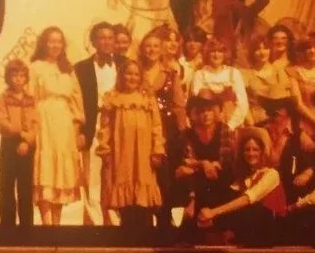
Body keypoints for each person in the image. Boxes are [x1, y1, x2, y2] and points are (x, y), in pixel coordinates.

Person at [96, 60, 165, 230]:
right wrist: (105, 148)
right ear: (121, 76)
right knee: (125, 193)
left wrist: (157, 150)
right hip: (122, 151)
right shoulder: (113, 98)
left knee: (143, 196)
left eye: (136, 74)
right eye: (128, 73)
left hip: (143, 152)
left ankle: (146, 233)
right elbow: (104, 127)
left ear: (141, 77)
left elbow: (157, 126)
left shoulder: (147, 99)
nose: (132, 77)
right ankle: (126, 233)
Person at [30, 26, 85, 225]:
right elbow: (30, 98)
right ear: (44, 44)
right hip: (44, 122)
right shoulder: (35, 67)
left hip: (65, 125)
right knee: (46, 171)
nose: (55, 45)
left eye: (59, 41)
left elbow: (76, 102)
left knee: (61, 172)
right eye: (51, 41)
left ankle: (57, 224)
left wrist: (77, 129)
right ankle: (46, 224)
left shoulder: (68, 69)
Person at [196, 127, 287, 246]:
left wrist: (213, 212)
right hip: (248, 226)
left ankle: (215, 225)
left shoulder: (271, 174)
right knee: (220, 193)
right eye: (247, 150)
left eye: (255, 150)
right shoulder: (243, 177)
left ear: (262, 152)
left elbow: (248, 198)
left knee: (253, 208)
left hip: (269, 227)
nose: (251, 153)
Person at [75, 22, 123, 226]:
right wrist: (80, 130)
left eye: (110, 37)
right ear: (93, 41)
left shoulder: (125, 64)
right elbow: (76, 101)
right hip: (93, 127)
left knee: (118, 173)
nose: (106, 41)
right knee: (92, 175)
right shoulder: (81, 68)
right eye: (101, 37)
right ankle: (95, 222)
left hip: (119, 126)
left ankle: (116, 220)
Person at [140, 26, 187, 231]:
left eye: (155, 46)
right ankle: (142, 222)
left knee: (164, 177)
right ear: (142, 49)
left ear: (162, 49)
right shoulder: (135, 72)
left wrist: (183, 133)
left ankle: (164, 222)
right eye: (147, 46)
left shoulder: (170, 74)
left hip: (167, 130)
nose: (151, 50)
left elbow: (179, 106)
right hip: (140, 129)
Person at [176, 93, 235, 241]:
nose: (205, 114)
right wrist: (204, 164)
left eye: (209, 110)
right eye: (201, 111)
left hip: (219, 178)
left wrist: (197, 165)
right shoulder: (187, 134)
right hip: (198, 181)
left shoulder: (224, 130)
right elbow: (185, 162)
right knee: (185, 179)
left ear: (216, 111)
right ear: (194, 113)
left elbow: (225, 162)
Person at [0, 59, 37, 227]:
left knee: (25, 187)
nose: (18, 79)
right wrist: (20, 133)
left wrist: (28, 140)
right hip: (9, 143)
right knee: (6, 185)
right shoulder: (3, 98)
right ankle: (7, 226)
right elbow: (3, 122)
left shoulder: (32, 99)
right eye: (14, 75)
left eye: (22, 76)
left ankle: (27, 226)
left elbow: (36, 122)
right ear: (8, 77)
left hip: (27, 146)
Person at [243, 34, 302, 126]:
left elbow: (290, 100)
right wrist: (252, 125)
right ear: (252, 53)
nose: (262, 52)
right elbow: (243, 104)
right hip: (257, 120)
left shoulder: (280, 72)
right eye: (258, 49)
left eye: (265, 48)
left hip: (281, 121)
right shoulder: (246, 75)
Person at [190, 38, 248, 130]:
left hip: (232, 121)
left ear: (224, 54)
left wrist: (230, 125)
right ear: (207, 54)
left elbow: (243, 104)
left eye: (220, 51)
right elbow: (196, 104)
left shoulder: (233, 73)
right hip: (207, 123)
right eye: (213, 51)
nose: (216, 55)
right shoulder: (199, 75)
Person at [178, 26, 208, 93]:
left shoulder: (208, 61)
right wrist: (193, 66)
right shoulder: (180, 62)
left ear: (203, 43)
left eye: (196, 41)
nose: (192, 44)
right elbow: (181, 84)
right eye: (189, 41)